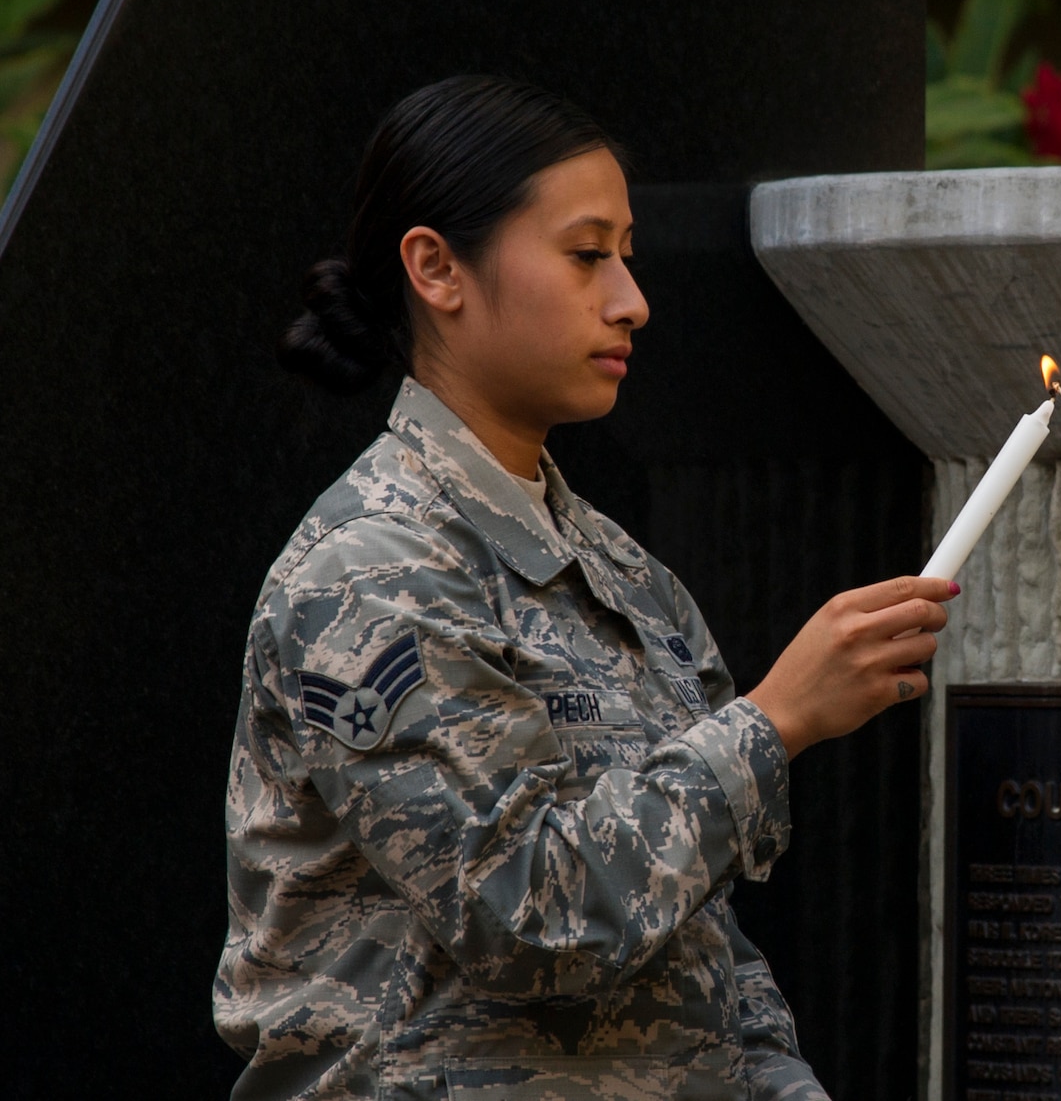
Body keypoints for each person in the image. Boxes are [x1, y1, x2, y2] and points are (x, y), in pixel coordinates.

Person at [214, 76, 954, 1100]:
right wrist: (773, 722)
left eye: (628, 256)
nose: (630, 300)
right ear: (436, 267)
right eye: (585, 254)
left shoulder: (622, 574)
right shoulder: (374, 570)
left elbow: (701, 940)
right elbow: (528, 918)